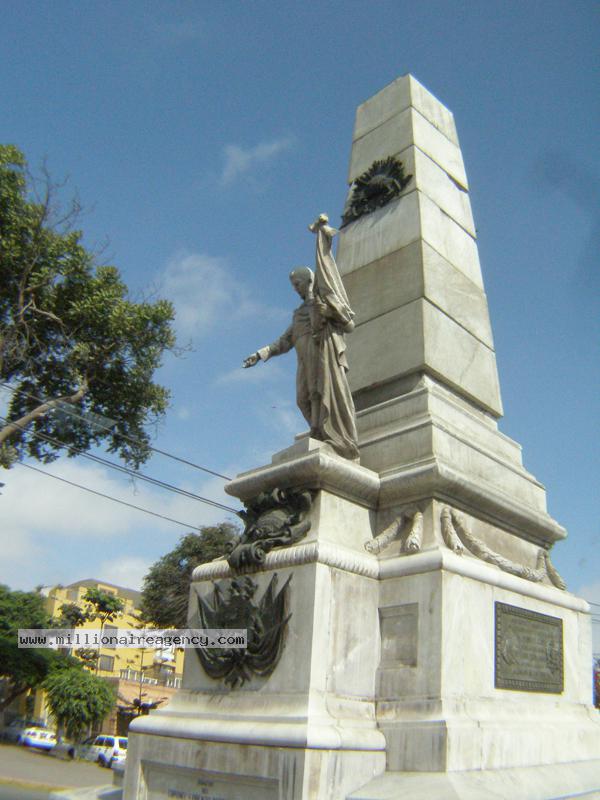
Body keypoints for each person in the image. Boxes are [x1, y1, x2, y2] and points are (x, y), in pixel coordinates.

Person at [244, 215, 359, 460]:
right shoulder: (298, 315)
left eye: (297, 283)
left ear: (308, 281)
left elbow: (348, 326)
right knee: (303, 398)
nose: (295, 288)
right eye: (293, 285)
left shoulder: (322, 304)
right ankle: (317, 430)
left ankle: (321, 432)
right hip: (304, 361)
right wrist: (261, 353)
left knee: (320, 393)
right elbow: (284, 341)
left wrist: (329, 313)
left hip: (322, 356)